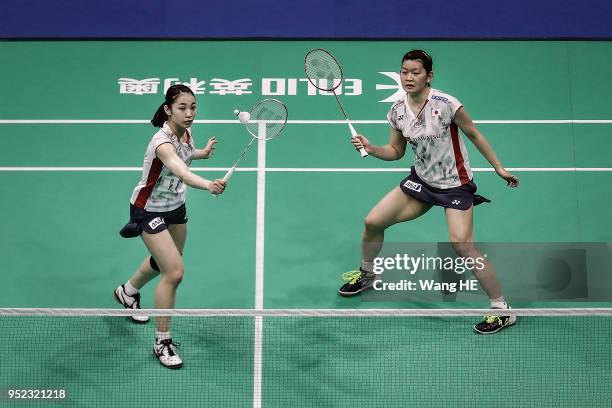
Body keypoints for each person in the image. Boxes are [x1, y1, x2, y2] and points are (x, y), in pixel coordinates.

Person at [338, 50, 519, 334]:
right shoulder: (397, 111)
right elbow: (396, 151)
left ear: (429, 76)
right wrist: (372, 149)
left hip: (455, 186)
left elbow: (474, 134)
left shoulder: (447, 105)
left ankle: (501, 309)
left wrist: (499, 168)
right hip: (422, 182)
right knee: (372, 222)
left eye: (416, 72)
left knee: (463, 246)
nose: (409, 78)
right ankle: (368, 274)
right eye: (404, 72)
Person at [114, 84, 226, 368]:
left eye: (193, 107)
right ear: (167, 110)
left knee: (166, 261)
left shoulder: (185, 132)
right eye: (182, 108)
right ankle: (162, 341)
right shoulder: (161, 142)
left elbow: (186, 156)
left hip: (176, 206)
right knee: (174, 272)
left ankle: (127, 292)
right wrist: (208, 185)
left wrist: (201, 153)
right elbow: (180, 170)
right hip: (148, 208)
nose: (189, 114)